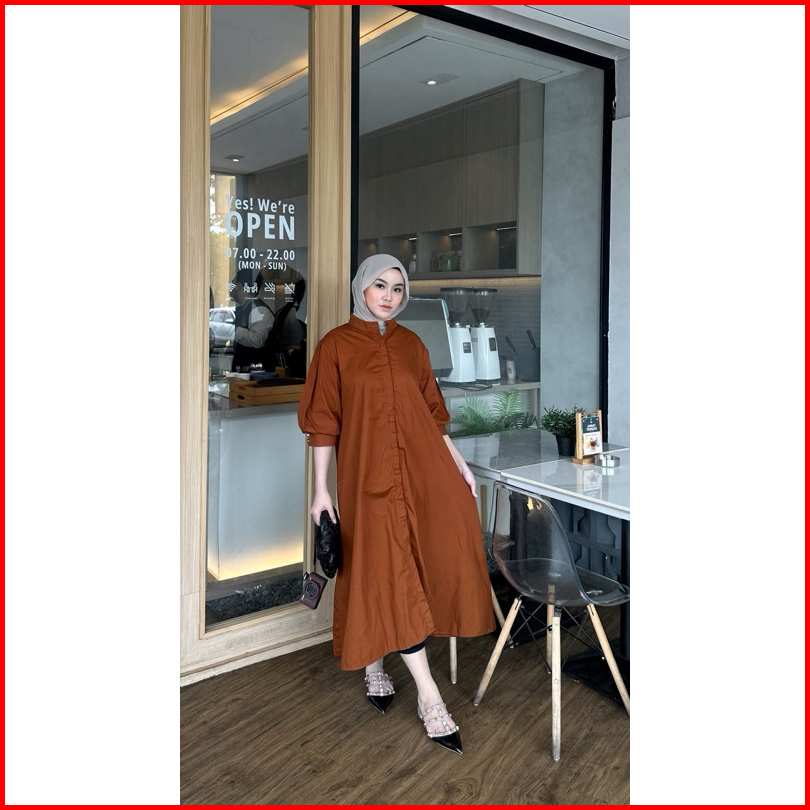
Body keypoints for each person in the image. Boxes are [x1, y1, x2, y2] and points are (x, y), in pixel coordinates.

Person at [297, 254, 495, 755]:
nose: (389, 296)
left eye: (398, 288)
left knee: (413, 560)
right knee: (380, 567)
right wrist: (321, 491)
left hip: (420, 472)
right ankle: (429, 696)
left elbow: (432, 416)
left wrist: (459, 466)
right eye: (380, 285)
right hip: (366, 480)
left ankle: (380, 664)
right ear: (361, 287)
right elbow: (323, 425)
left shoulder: (412, 345)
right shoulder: (335, 346)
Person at [229, 269, 276, 373]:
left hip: (257, 376)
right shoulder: (246, 308)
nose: (230, 289)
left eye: (232, 285)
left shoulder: (259, 309)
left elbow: (257, 340)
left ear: (239, 286)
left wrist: (232, 331)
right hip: (247, 375)